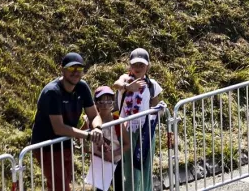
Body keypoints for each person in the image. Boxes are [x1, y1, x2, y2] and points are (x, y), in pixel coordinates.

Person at [29, 53, 102, 191]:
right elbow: (59, 128)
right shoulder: (52, 92)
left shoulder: (82, 87)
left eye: (79, 69)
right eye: (71, 68)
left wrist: (97, 128)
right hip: (47, 146)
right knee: (61, 187)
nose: (75, 72)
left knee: (61, 184)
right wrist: (87, 135)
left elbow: (93, 115)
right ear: (62, 69)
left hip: (65, 143)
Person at [113, 48, 163, 191]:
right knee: (130, 169)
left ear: (148, 66)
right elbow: (116, 84)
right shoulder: (125, 79)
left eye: (142, 65)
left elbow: (154, 104)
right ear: (130, 66)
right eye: (135, 65)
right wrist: (128, 87)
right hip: (127, 131)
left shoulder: (152, 85)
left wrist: (160, 109)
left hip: (146, 131)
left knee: (146, 167)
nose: (138, 68)